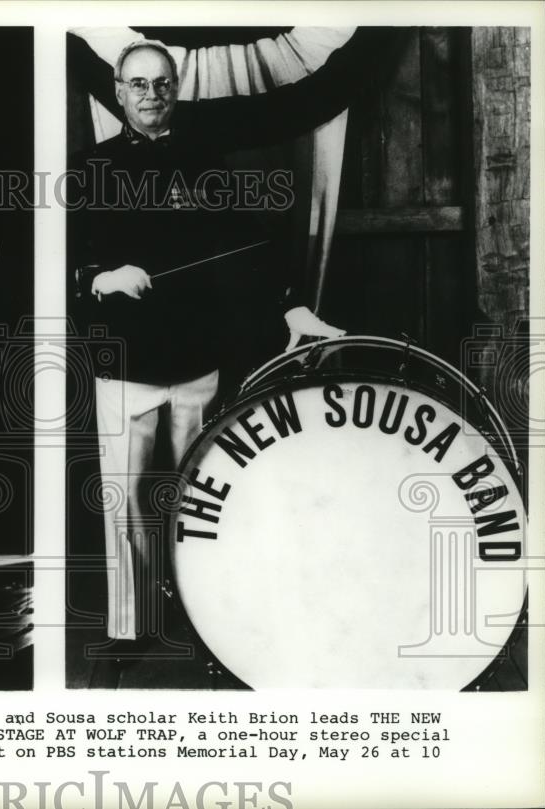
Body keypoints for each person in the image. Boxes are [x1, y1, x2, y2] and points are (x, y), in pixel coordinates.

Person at [69, 31, 389, 644]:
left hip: (196, 355)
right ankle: (132, 627)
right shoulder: (89, 169)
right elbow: (65, 262)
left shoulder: (207, 161)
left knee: (199, 490)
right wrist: (102, 277)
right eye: (138, 84)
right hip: (124, 359)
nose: (152, 95)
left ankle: (200, 612)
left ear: (177, 89)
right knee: (126, 498)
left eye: (162, 84)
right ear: (117, 92)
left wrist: (291, 308)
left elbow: (251, 248)